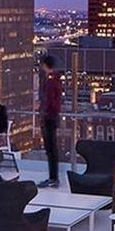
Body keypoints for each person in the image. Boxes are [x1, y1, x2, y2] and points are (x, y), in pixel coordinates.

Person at [39, 54, 64, 187]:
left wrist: (44, 113)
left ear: (44, 65)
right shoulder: (57, 79)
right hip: (53, 117)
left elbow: (49, 101)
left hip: (49, 118)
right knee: (52, 149)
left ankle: (53, 177)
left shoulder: (50, 81)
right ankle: (53, 177)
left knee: (50, 149)